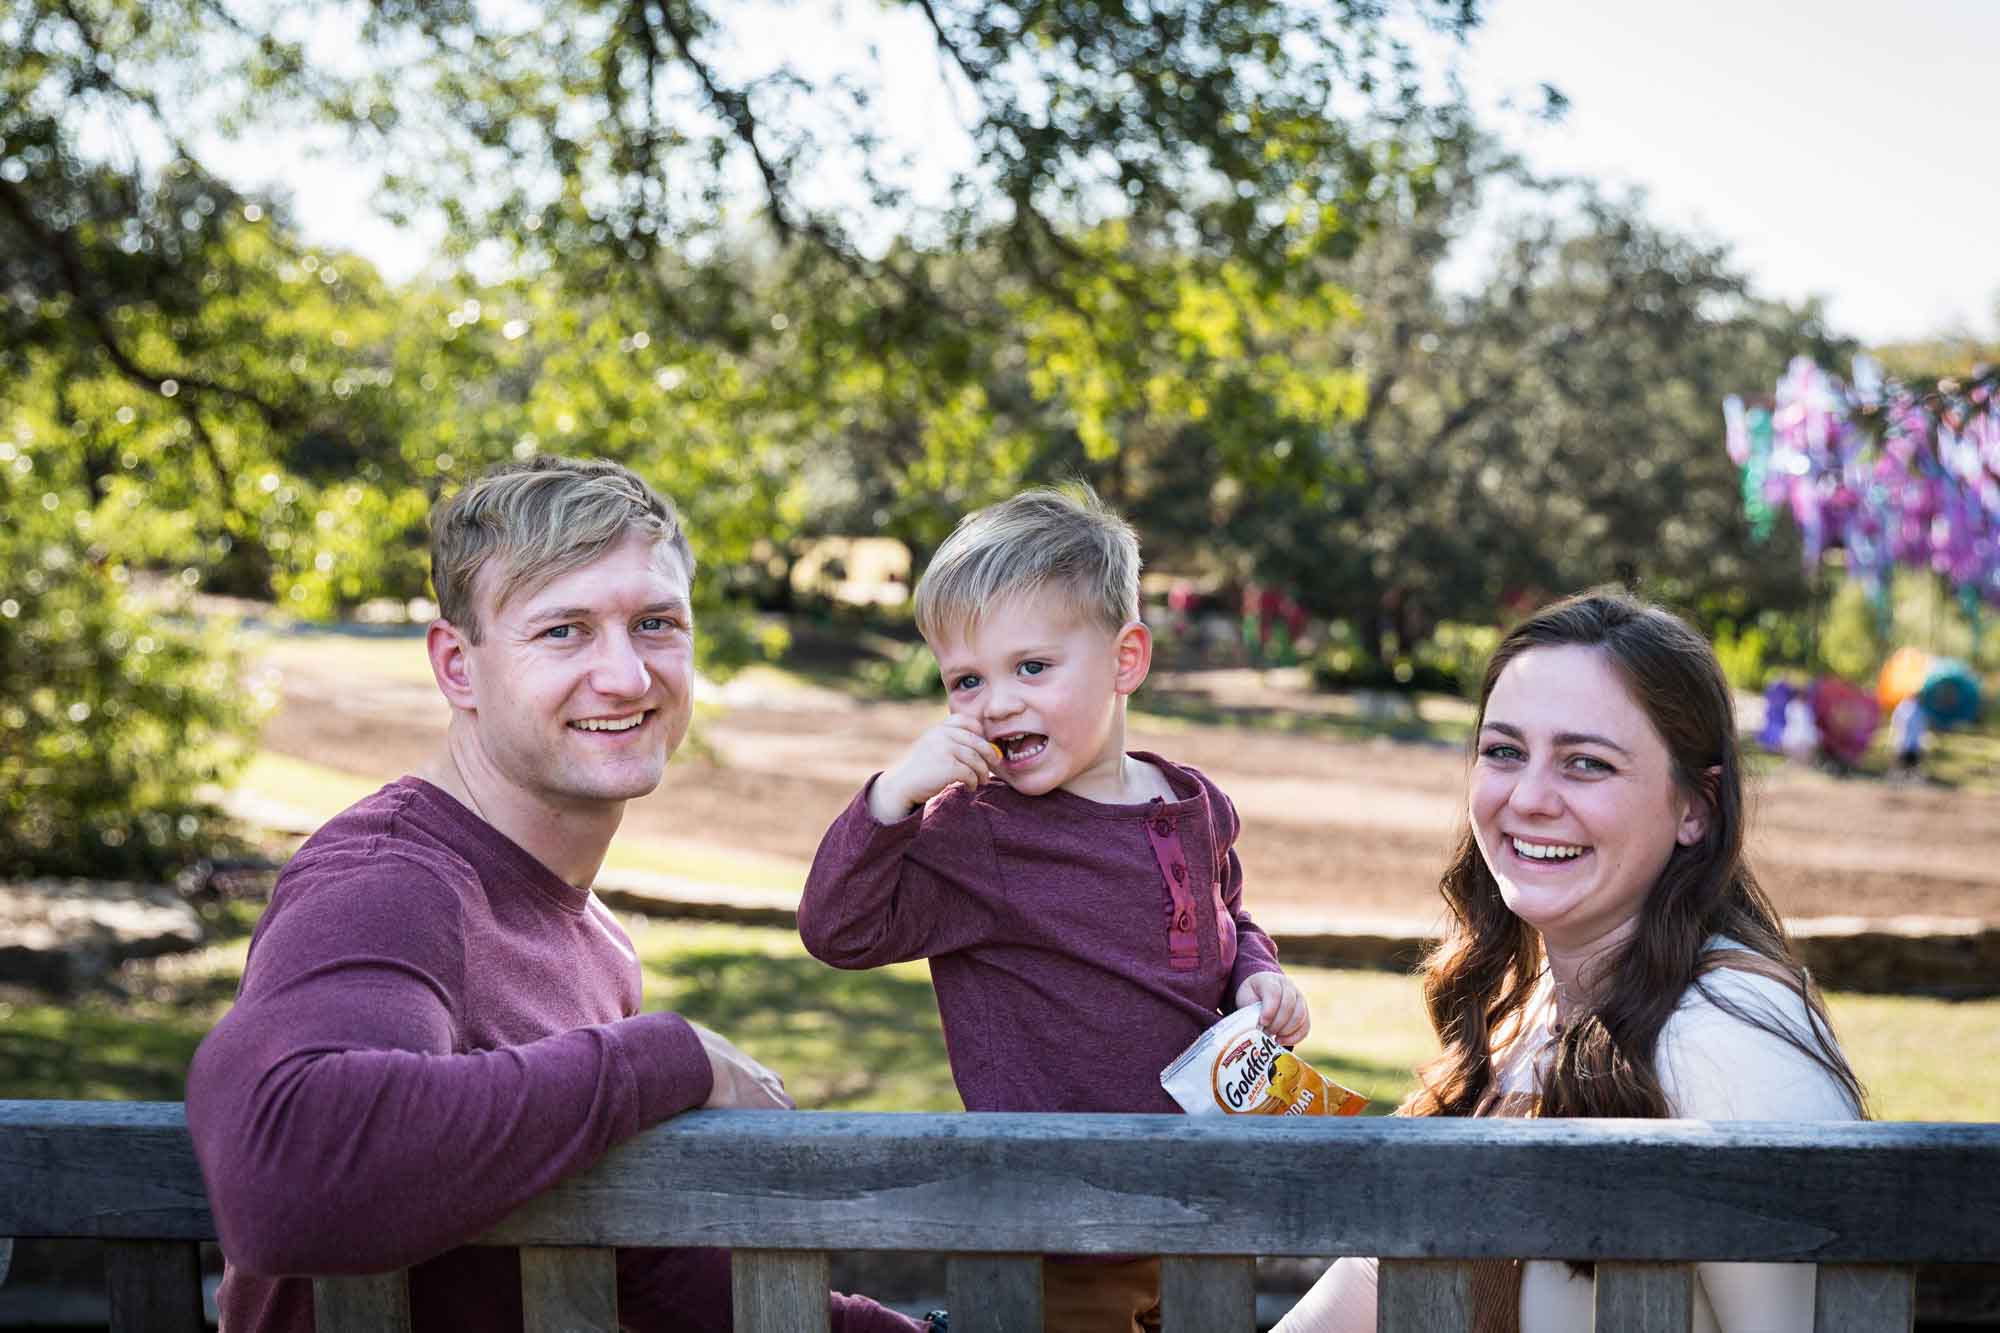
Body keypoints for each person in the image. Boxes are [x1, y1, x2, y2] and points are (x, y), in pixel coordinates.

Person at [187, 456, 929, 1333]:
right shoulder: (390, 884)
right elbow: (290, 1173)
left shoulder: (593, 939)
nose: (624, 676)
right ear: (457, 667)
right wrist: (667, 1057)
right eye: (563, 631)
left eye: (655, 623)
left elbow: (640, 1270)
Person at [1275, 588, 1864, 1333]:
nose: (1529, 796)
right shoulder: (1528, 1011)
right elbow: (1371, 1284)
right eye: (1504, 751)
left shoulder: (1728, 1037)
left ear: (1696, 808)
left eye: (1585, 762)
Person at [798, 484, 1310, 1333]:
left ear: (1125, 660)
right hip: (1058, 1227)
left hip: (1199, 1210)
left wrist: (1258, 974)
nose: (997, 703)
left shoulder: (1192, 803)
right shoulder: (975, 830)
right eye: (967, 680)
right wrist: (892, 798)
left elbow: (1228, 911)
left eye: (1031, 667)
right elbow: (837, 928)